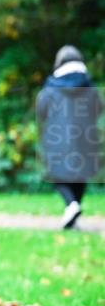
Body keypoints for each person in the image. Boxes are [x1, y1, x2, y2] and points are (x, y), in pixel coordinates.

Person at [36, 45, 102, 229]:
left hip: (58, 137)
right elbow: (98, 109)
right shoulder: (89, 85)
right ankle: (74, 209)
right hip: (85, 137)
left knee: (58, 173)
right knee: (80, 174)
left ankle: (71, 205)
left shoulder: (51, 87)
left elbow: (41, 111)